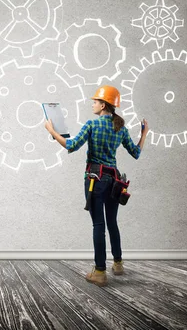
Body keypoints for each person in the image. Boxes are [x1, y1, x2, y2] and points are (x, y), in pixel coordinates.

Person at [44, 85, 149, 287]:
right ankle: (118, 264)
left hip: (95, 179)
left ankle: (100, 271)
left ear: (103, 104)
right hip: (115, 182)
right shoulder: (120, 128)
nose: (92, 104)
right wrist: (143, 134)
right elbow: (136, 153)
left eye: (95, 101)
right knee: (112, 223)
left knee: (98, 225)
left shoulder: (92, 124)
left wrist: (52, 131)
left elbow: (71, 146)